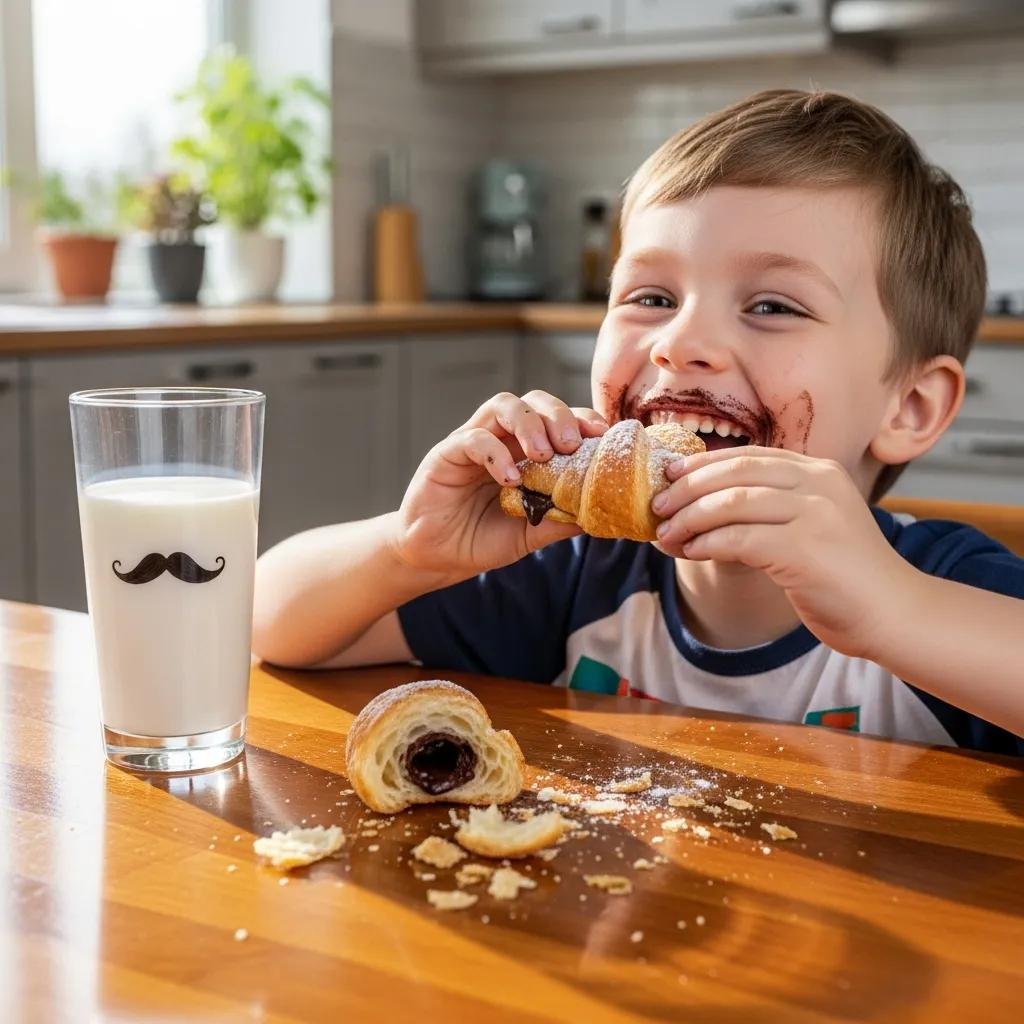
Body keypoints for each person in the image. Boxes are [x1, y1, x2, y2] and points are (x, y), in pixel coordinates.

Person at [253, 90, 1024, 755]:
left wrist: (896, 611)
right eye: (652, 297)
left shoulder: (941, 587)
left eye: (772, 306)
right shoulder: (572, 576)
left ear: (909, 407)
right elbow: (266, 622)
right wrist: (408, 550)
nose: (681, 342)